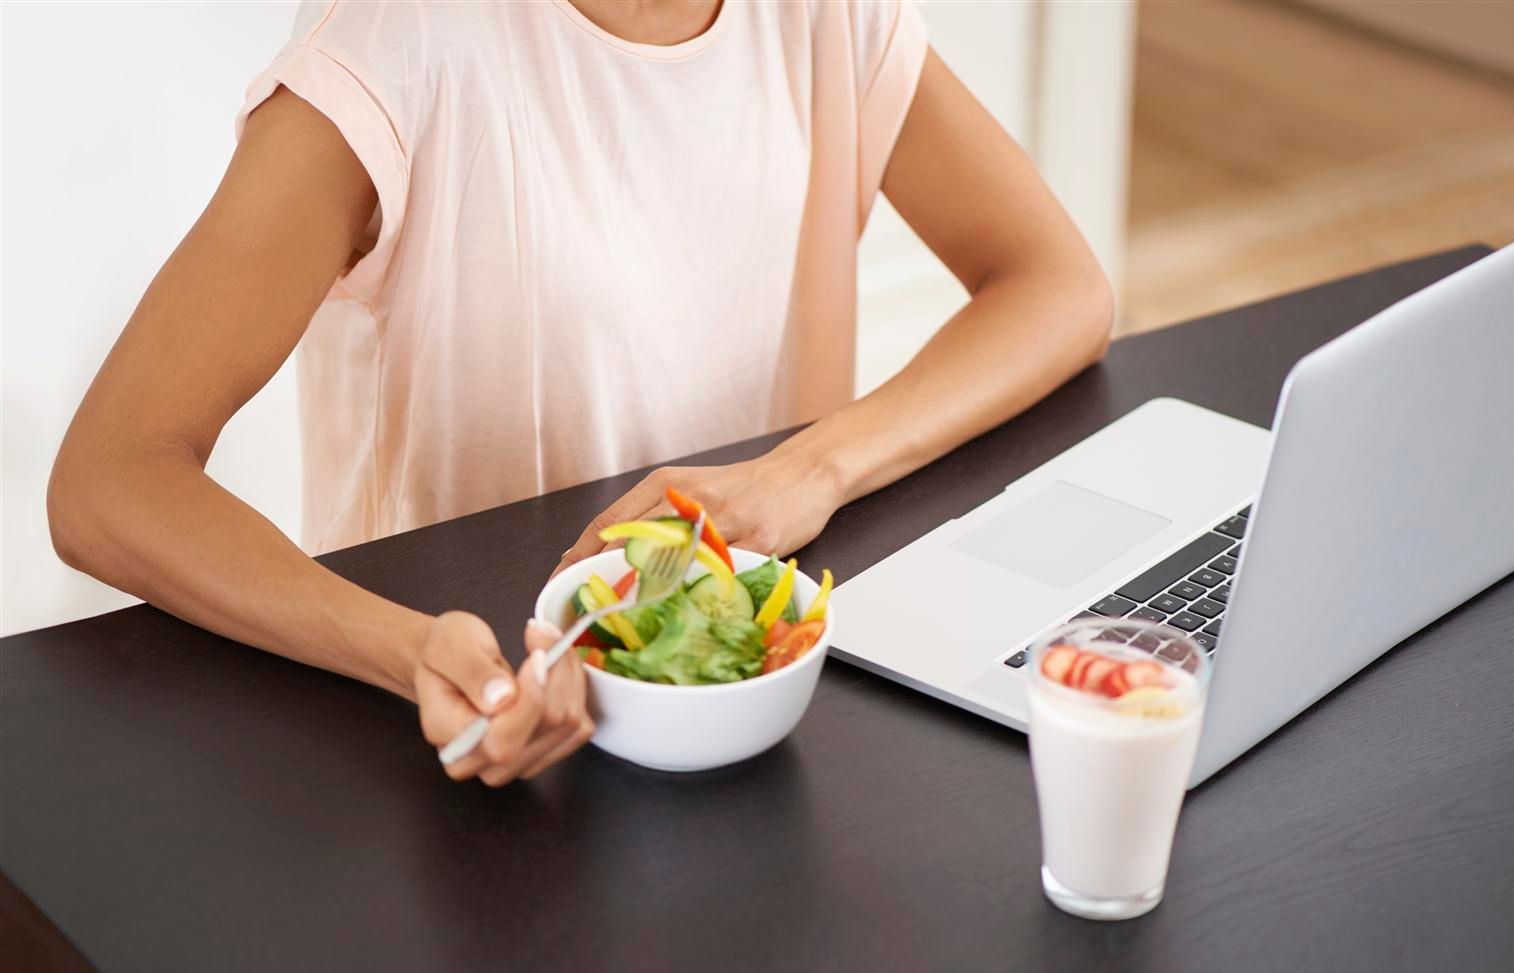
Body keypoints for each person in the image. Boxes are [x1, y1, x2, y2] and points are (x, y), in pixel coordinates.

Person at [47, 0, 1113, 786]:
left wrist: (810, 471)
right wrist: (407, 648)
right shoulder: (389, 51)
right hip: (477, 726)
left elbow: (1060, 286)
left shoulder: (825, 17)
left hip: (746, 705)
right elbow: (110, 479)